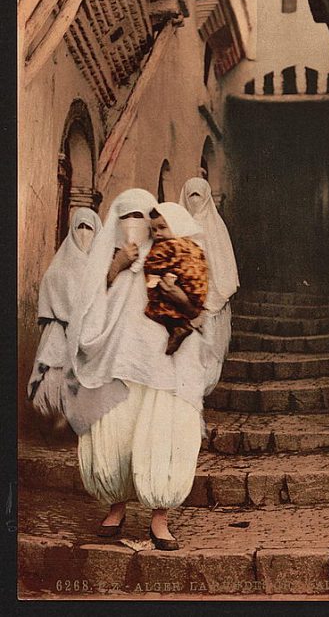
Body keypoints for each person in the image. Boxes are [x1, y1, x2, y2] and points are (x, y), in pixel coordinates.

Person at [66, 188, 206, 551]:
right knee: (118, 430)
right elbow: (88, 306)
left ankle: (160, 517)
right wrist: (116, 266)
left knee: (163, 428)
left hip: (163, 361)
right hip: (119, 360)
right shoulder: (108, 259)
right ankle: (116, 507)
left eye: (142, 217)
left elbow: (194, 306)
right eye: (126, 217)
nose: (135, 225)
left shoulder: (172, 251)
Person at [27, 207, 102, 429]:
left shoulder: (99, 269)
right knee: (56, 376)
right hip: (60, 332)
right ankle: (57, 420)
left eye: (89, 228)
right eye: (80, 227)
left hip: (89, 333)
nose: (84, 233)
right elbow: (50, 298)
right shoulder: (59, 266)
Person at [179, 178, 239, 395]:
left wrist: (209, 301)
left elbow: (223, 269)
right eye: (190, 195)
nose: (195, 201)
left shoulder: (216, 228)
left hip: (211, 302)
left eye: (199, 196)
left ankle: (200, 394)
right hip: (183, 301)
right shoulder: (179, 227)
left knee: (210, 352)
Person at [144, 202, 208, 355]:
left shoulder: (168, 245)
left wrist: (148, 268)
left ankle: (178, 327)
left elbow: (152, 262)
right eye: (153, 230)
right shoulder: (194, 245)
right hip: (197, 292)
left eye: (162, 228)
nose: (157, 234)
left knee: (157, 306)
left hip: (183, 290)